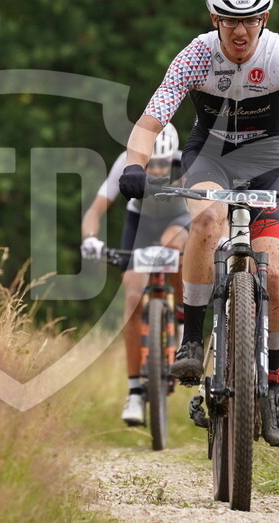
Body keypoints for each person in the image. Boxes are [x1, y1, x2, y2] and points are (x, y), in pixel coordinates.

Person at [117, 0, 279, 447]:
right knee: (207, 220)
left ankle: (271, 386)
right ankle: (192, 338)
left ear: (264, 18)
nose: (240, 30)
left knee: (273, 274)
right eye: (229, 19)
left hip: (267, 164)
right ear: (214, 19)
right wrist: (134, 165)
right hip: (208, 157)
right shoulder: (195, 56)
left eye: (250, 19)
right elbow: (150, 121)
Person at [81, 123, 191, 426]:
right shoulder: (125, 161)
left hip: (177, 220)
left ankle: (182, 319)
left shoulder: (185, 163)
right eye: (150, 163)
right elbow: (94, 211)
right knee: (131, 297)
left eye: (162, 163)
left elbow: (206, 208)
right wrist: (90, 238)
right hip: (140, 222)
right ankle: (134, 392)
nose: (156, 170)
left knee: (173, 246)